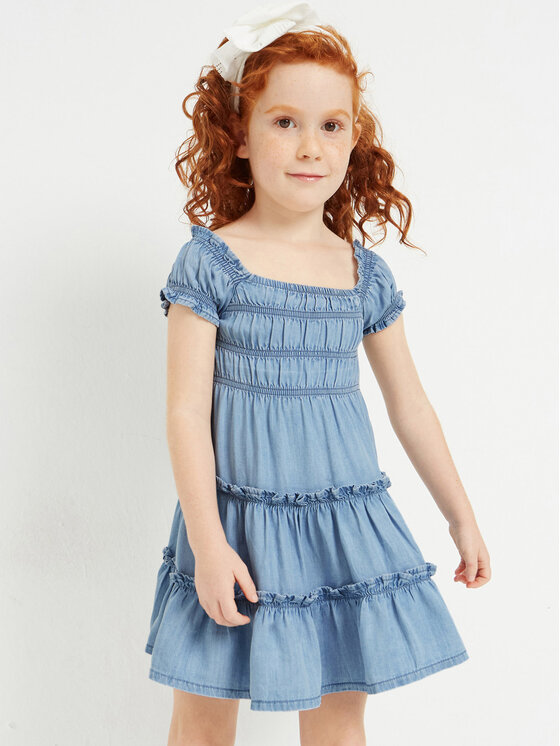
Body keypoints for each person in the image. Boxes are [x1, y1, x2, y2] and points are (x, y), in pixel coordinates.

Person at [145, 2, 491, 744]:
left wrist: (459, 514)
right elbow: (184, 413)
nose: (310, 146)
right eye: (284, 122)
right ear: (240, 136)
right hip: (234, 527)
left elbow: (411, 406)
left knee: (338, 722)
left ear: (353, 139)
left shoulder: (363, 274)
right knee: (201, 719)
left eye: (332, 125)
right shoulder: (211, 262)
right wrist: (207, 542)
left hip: (341, 533)